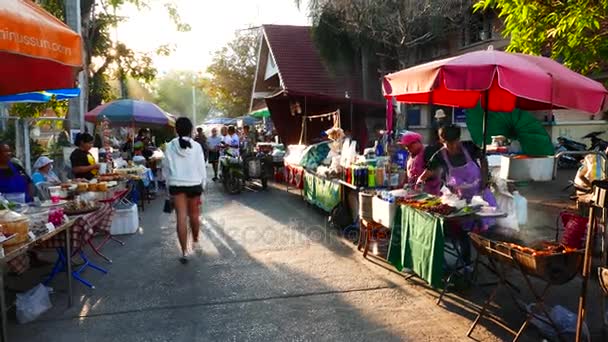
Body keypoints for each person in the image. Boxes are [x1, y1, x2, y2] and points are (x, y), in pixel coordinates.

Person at [163, 117, 207, 264]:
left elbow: (166, 169)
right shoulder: (196, 146)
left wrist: (168, 186)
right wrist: (203, 185)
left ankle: (184, 252)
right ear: (191, 129)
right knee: (194, 215)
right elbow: (202, 168)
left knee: (181, 217)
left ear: (176, 130)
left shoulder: (169, 146)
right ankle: (195, 240)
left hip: (176, 184)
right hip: (194, 184)